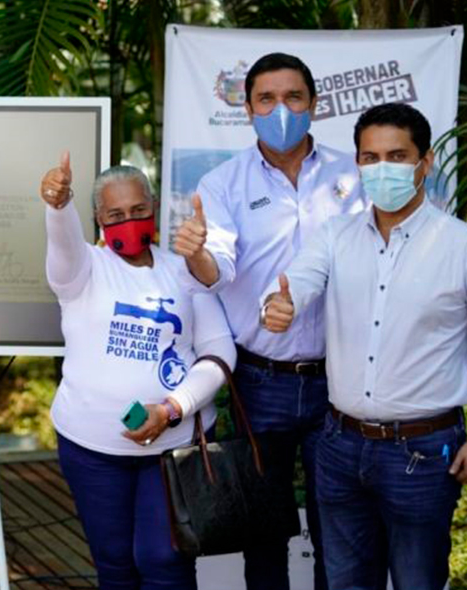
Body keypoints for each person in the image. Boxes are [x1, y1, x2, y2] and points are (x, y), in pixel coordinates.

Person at [171, 52, 367, 590]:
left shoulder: (354, 175)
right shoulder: (222, 184)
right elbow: (219, 265)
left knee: (339, 526)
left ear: (314, 103)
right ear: (247, 108)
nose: (281, 109)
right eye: (266, 99)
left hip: (341, 378)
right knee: (263, 531)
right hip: (260, 382)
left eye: (293, 97)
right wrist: (195, 255)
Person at [262, 102, 467, 590]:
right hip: (339, 447)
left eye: (396, 155)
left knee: (419, 582)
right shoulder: (336, 236)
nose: (382, 168)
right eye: (370, 158)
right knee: (346, 583)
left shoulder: (459, 245)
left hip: (422, 452)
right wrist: (279, 304)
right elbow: (296, 283)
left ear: (426, 162)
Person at [40, 155, 236, 590]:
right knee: (114, 564)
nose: (129, 221)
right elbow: (63, 248)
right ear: (98, 219)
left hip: (171, 447)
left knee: (166, 560)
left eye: (139, 211)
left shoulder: (183, 270)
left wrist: (171, 408)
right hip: (92, 451)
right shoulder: (83, 270)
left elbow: (219, 351)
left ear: (154, 207)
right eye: (115, 215)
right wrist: (57, 207)